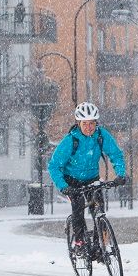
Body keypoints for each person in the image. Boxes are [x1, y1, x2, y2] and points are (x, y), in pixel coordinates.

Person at [48, 102, 126, 249]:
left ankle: (99, 245)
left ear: (96, 123)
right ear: (78, 123)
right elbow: (54, 166)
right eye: (85, 124)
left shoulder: (101, 135)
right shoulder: (71, 140)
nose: (89, 127)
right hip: (72, 180)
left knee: (99, 210)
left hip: (92, 179)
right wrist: (63, 187)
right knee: (78, 209)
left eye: (92, 123)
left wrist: (121, 174)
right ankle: (79, 243)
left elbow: (116, 154)